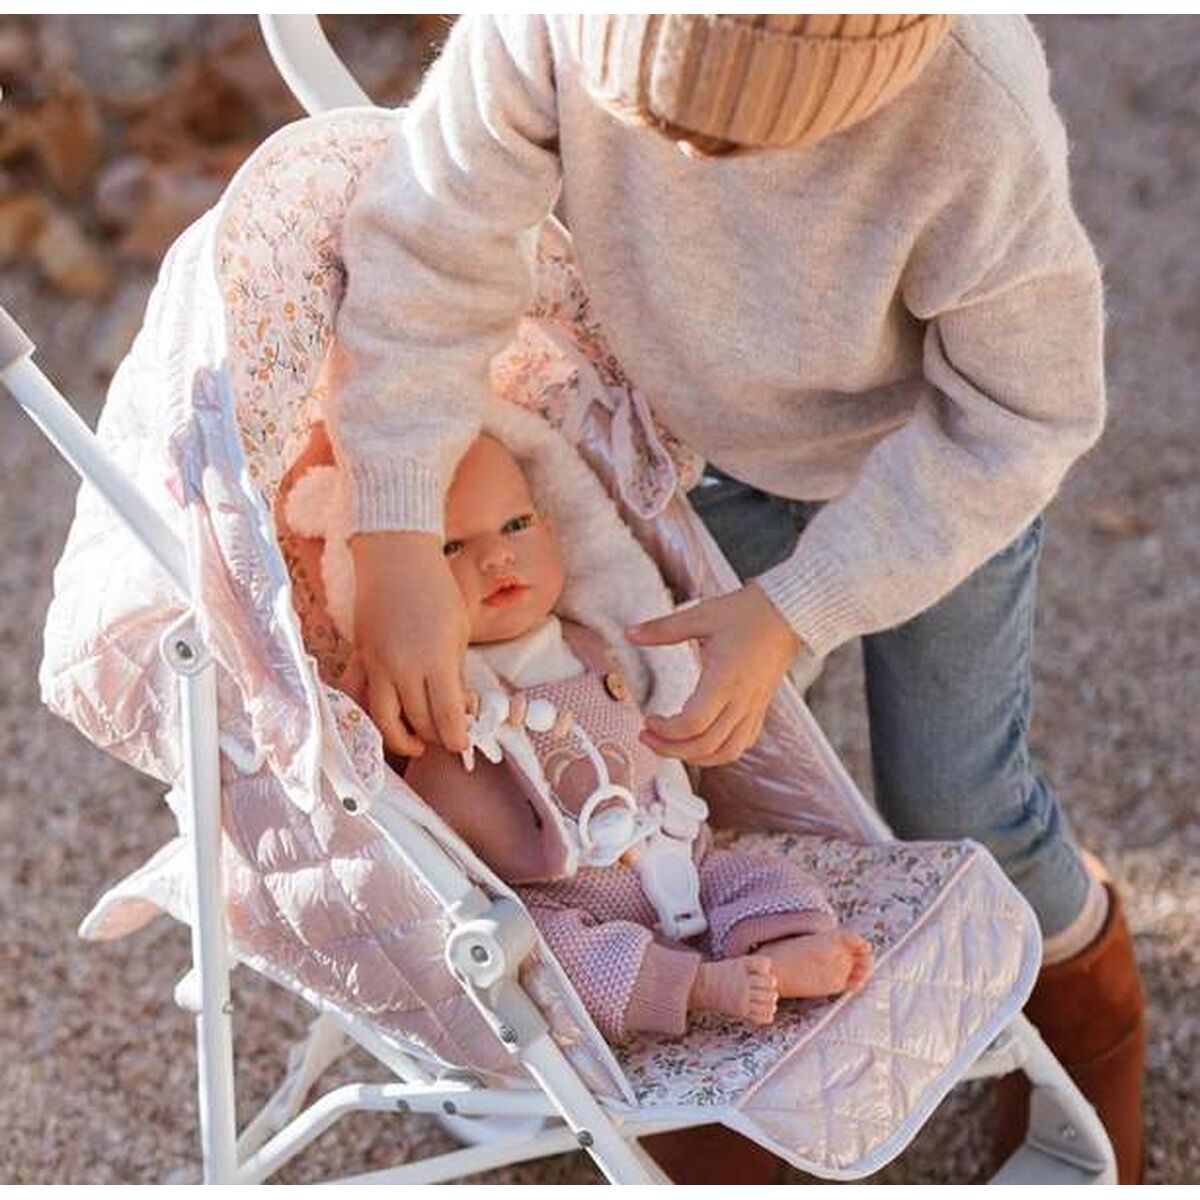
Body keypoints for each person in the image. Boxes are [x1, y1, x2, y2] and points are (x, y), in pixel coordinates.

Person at [328, 15, 1144, 1183]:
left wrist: (798, 606)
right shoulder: (546, 30)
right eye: (653, 122)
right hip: (701, 455)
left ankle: (1092, 1011)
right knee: (700, 761)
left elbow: (1026, 410)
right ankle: (716, 1031)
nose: (689, 166)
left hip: (935, 464)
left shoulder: (971, 107)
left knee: (958, 793)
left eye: (743, 139)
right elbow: (432, 247)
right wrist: (398, 523)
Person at [402, 433, 873, 1042]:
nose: (496, 556)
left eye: (516, 524)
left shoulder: (593, 639)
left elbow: (659, 706)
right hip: (567, 895)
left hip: (677, 856)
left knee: (759, 876)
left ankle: (783, 947)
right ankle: (702, 986)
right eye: (451, 546)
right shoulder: (446, 692)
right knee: (545, 959)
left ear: (553, 529)